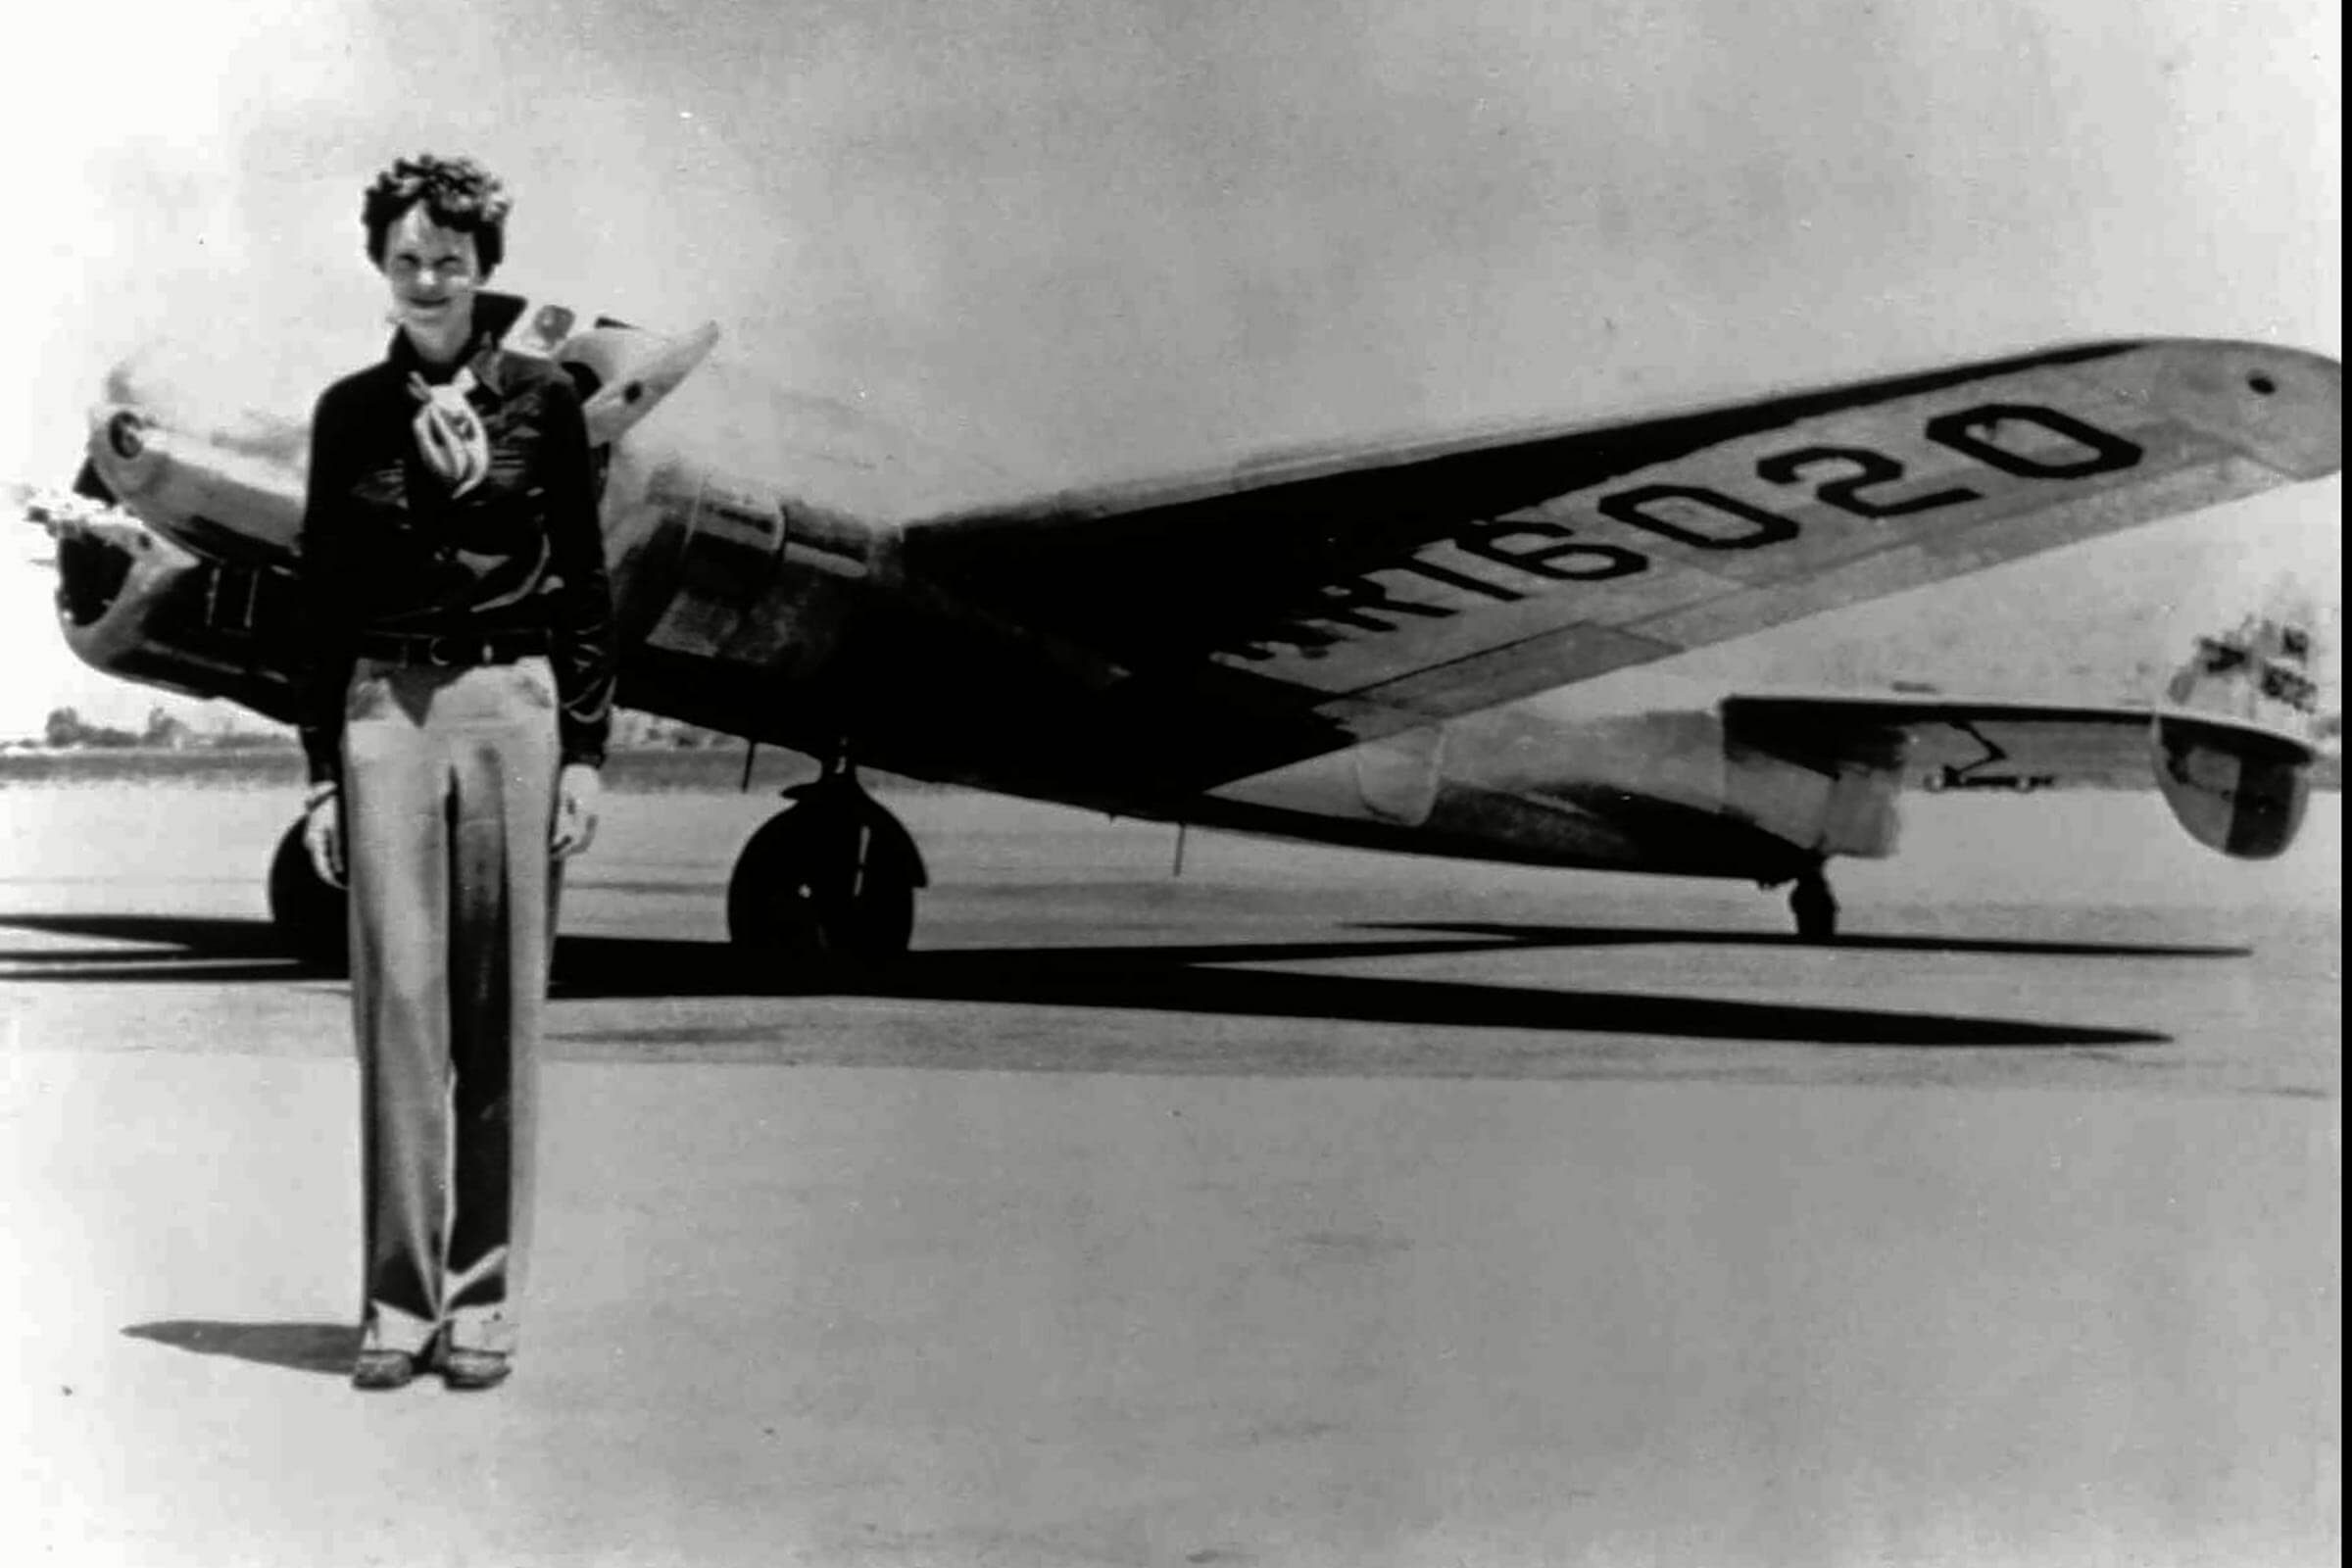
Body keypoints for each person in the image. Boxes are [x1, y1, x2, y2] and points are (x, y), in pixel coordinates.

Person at [294, 154, 615, 1391]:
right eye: (406, 260)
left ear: (486, 269)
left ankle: (482, 1303)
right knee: (399, 1014)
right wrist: (323, 766)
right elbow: (318, 603)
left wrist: (584, 751)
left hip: (512, 709)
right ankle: (398, 1302)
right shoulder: (348, 416)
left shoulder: (544, 402)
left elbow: (584, 588)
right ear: (380, 266)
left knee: (499, 1019)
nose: (427, 280)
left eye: (451, 261)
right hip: (385, 708)